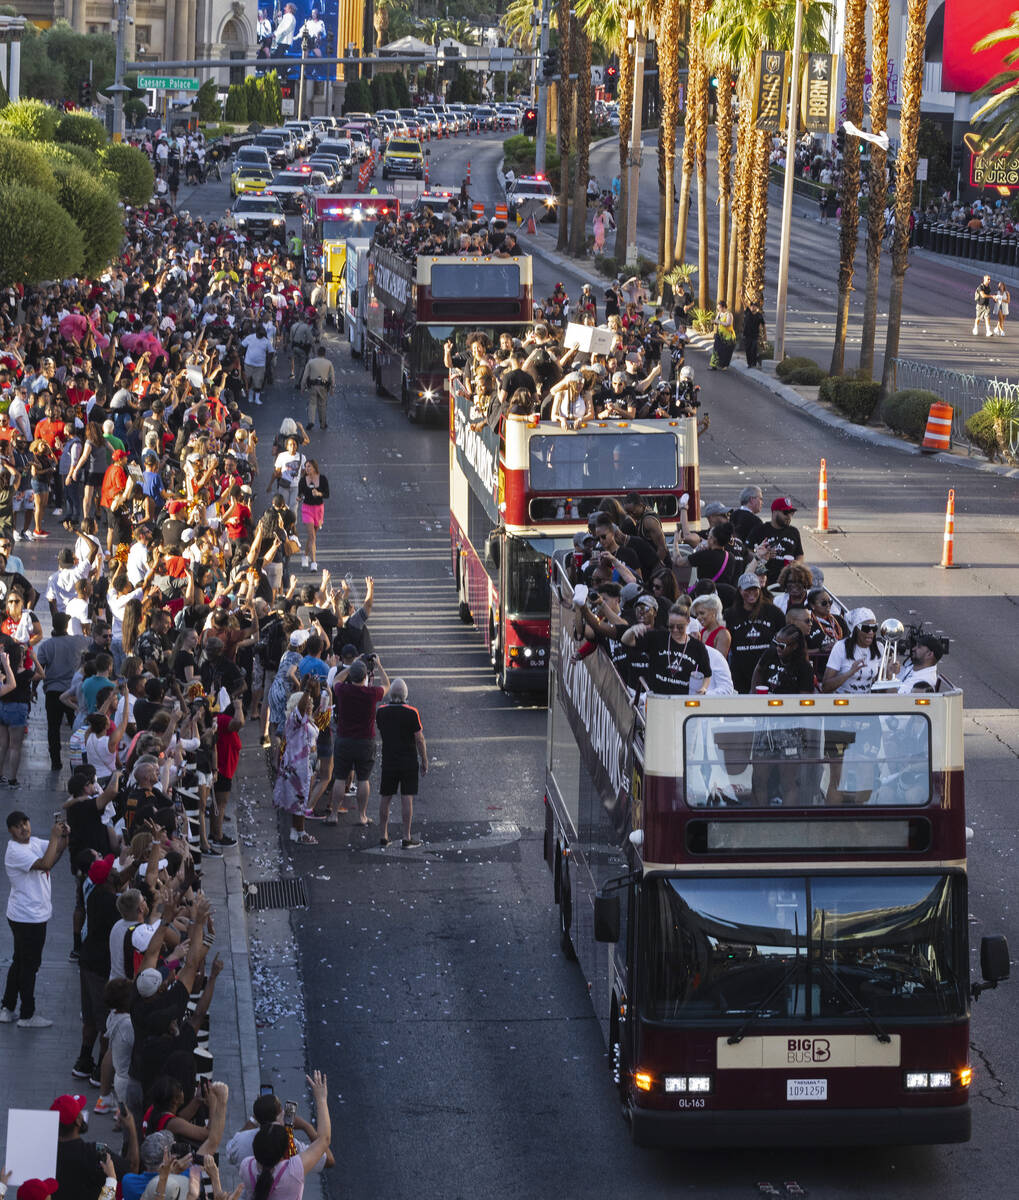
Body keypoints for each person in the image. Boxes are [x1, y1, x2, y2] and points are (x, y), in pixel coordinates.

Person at [2, 811, 70, 1026]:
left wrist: (63, 837)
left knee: (20, 961)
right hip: (28, 917)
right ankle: (27, 1015)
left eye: (26, 823)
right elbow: (46, 864)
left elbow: (55, 852)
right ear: (11, 831)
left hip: (27, 914)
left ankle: (7, 1007)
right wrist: (53, 836)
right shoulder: (15, 851)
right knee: (30, 965)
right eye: (18, 826)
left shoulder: (33, 843)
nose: (24, 829)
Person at [240, 1069, 331, 1200]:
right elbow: (324, 1140)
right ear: (285, 1151)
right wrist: (321, 1099)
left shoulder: (246, 1166)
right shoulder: (294, 1171)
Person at [332, 656, 390, 827]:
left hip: (344, 739)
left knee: (340, 777)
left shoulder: (343, 690)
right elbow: (387, 685)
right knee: (363, 778)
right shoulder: (372, 694)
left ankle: (334, 813)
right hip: (365, 740)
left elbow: (336, 679)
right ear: (365, 677)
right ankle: (362, 815)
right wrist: (379, 665)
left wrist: (351, 667)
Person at [375, 678, 428, 849]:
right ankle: (406, 836)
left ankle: (383, 834)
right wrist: (424, 760)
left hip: (389, 759)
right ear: (405, 695)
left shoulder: (381, 711)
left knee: (386, 797)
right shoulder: (412, 712)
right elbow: (419, 738)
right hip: (408, 760)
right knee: (407, 798)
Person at [35, 612, 89, 771]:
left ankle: (55, 761)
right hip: (73, 693)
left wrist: (33, 690)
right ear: (67, 626)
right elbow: (92, 641)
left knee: (53, 728)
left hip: (53, 692)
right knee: (77, 726)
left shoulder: (46, 646)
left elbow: (39, 671)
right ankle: (79, 758)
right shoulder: (78, 641)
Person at [620, 604, 712, 695]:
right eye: (671, 626)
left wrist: (703, 688)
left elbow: (707, 674)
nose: (675, 630)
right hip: (656, 698)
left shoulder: (697, 646)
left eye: (680, 627)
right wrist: (632, 630)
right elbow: (626, 641)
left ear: (688, 621)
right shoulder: (658, 637)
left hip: (681, 700)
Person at [723, 572, 786, 693]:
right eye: (747, 589)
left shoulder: (773, 612)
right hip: (739, 671)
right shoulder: (729, 615)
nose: (752, 593)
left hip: (767, 670)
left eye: (755, 589)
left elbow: (784, 637)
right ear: (740, 590)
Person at [822, 607, 882, 694]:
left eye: (874, 628)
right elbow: (826, 687)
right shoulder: (841, 647)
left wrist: (889, 674)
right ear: (855, 630)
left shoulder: (879, 648)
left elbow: (881, 686)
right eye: (866, 628)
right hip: (843, 702)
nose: (871, 632)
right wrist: (850, 672)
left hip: (867, 701)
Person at [751, 624, 816, 693]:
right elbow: (758, 670)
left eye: (782, 646)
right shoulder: (770, 653)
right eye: (775, 643)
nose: (777, 648)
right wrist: (755, 693)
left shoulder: (804, 667)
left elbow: (804, 695)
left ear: (795, 646)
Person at [298, 460, 329, 572]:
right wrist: (299, 498)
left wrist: (318, 493)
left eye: (309, 466)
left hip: (319, 510)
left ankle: (305, 555)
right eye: (306, 467)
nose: (307, 468)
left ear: (315, 468)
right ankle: (314, 563)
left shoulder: (322, 479)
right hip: (307, 509)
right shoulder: (302, 481)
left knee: (313, 535)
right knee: (312, 536)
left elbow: (327, 494)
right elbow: (300, 494)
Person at [300, 345, 334, 431]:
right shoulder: (329, 363)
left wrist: (302, 386)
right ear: (324, 354)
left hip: (313, 386)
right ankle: (323, 423)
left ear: (317, 353)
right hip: (323, 386)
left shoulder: (311, 362)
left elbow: (305, 375)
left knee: (312, 403)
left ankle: (311, 421)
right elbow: (332, 377)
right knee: (322, 405)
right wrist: (332, 388)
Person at [742, 300, 766, 368]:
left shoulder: (759, 316)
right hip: (747, 335)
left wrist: (764, 335)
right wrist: (741, 296)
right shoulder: (747, 312)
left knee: (753, 349)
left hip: (755, 335)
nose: (752, 307)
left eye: (754, 306)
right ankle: (749, 364)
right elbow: (744, 304)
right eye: (751, 306)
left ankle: (754, 363)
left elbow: (763, 325)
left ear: (756, 307)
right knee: (748, 350)